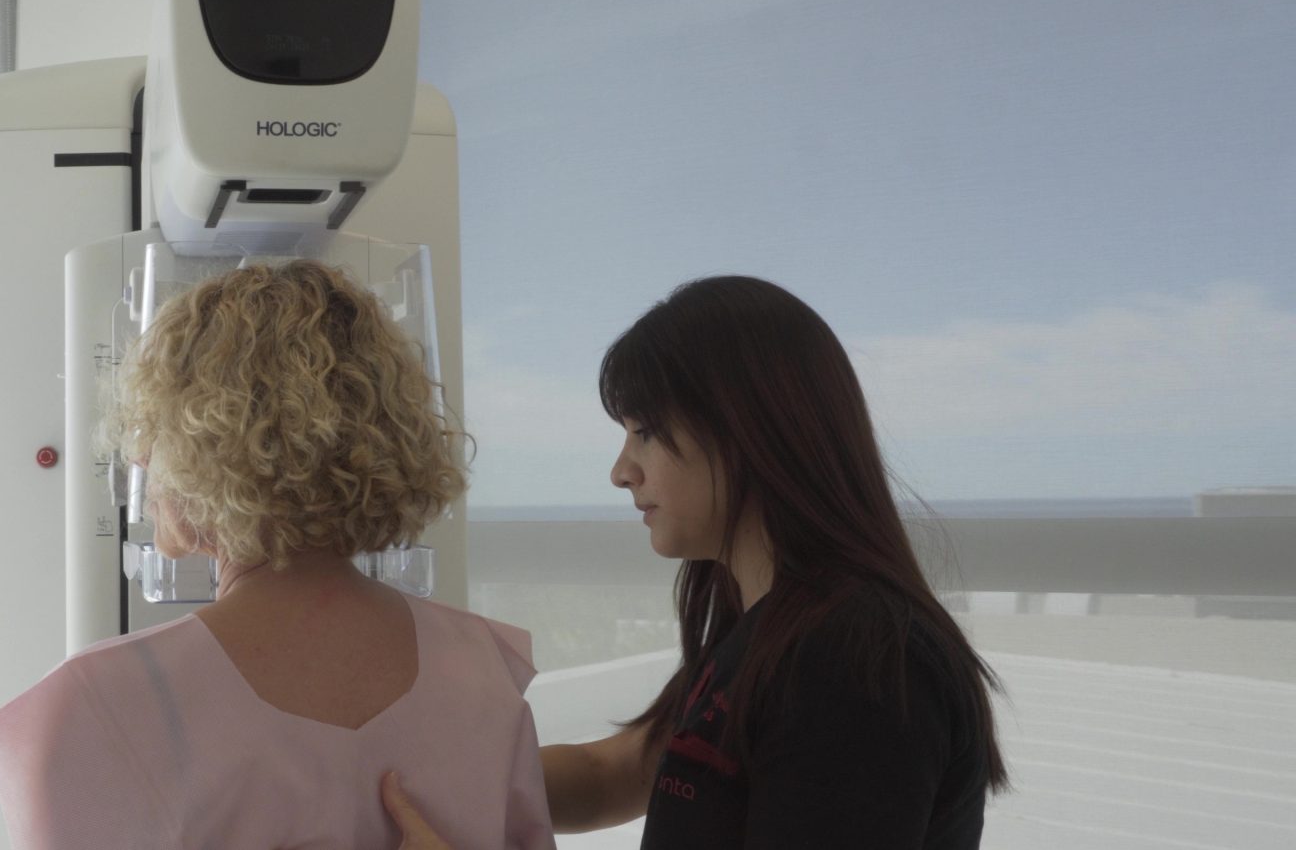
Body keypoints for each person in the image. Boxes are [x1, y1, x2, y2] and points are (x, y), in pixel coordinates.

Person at [384, 275, 1009, 849]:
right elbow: (612, 773)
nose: (621, 471)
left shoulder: (850, 659)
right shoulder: (772, 631)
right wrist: (410, 782)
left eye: (645, 432)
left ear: (747, 430)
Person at [0, 259, 557, 850]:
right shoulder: (484, 669)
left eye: (150, 431)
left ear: (199, 446)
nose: (139, 459)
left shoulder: (89, 707)